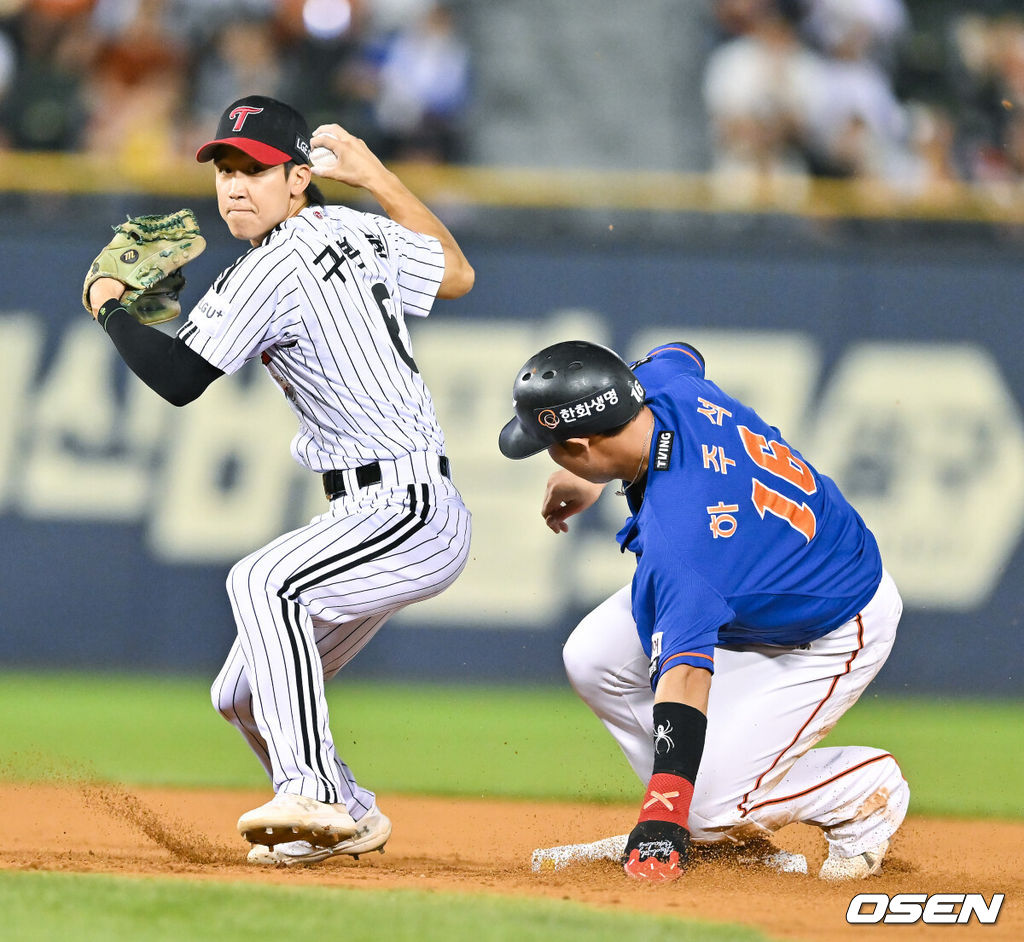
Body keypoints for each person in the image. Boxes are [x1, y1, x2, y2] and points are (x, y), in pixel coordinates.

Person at [86, 94, 474, 867]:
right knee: (238, 695)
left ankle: (311, 790)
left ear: (297, 180)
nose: (234, 186)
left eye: (255, 171)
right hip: (382, 509)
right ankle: (349, 814)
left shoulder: (272, 265)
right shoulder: (354, 228)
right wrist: (375, 178)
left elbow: (178, 378)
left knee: (264, 582)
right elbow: (458, 273)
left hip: (406, 504)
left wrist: (110, 309)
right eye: (225, 170)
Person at [498, 340, 908, 883]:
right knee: (594, 657)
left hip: (831, 620)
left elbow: (686, 679)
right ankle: (707, 826)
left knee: (711, 809)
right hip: (758, 577)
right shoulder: (664, 384)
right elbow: (678, 352)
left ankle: (859, 792)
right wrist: (593, 472)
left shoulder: (683, 542)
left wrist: (663, 818)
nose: (547, 454)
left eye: (551, 447)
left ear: (579, 441)